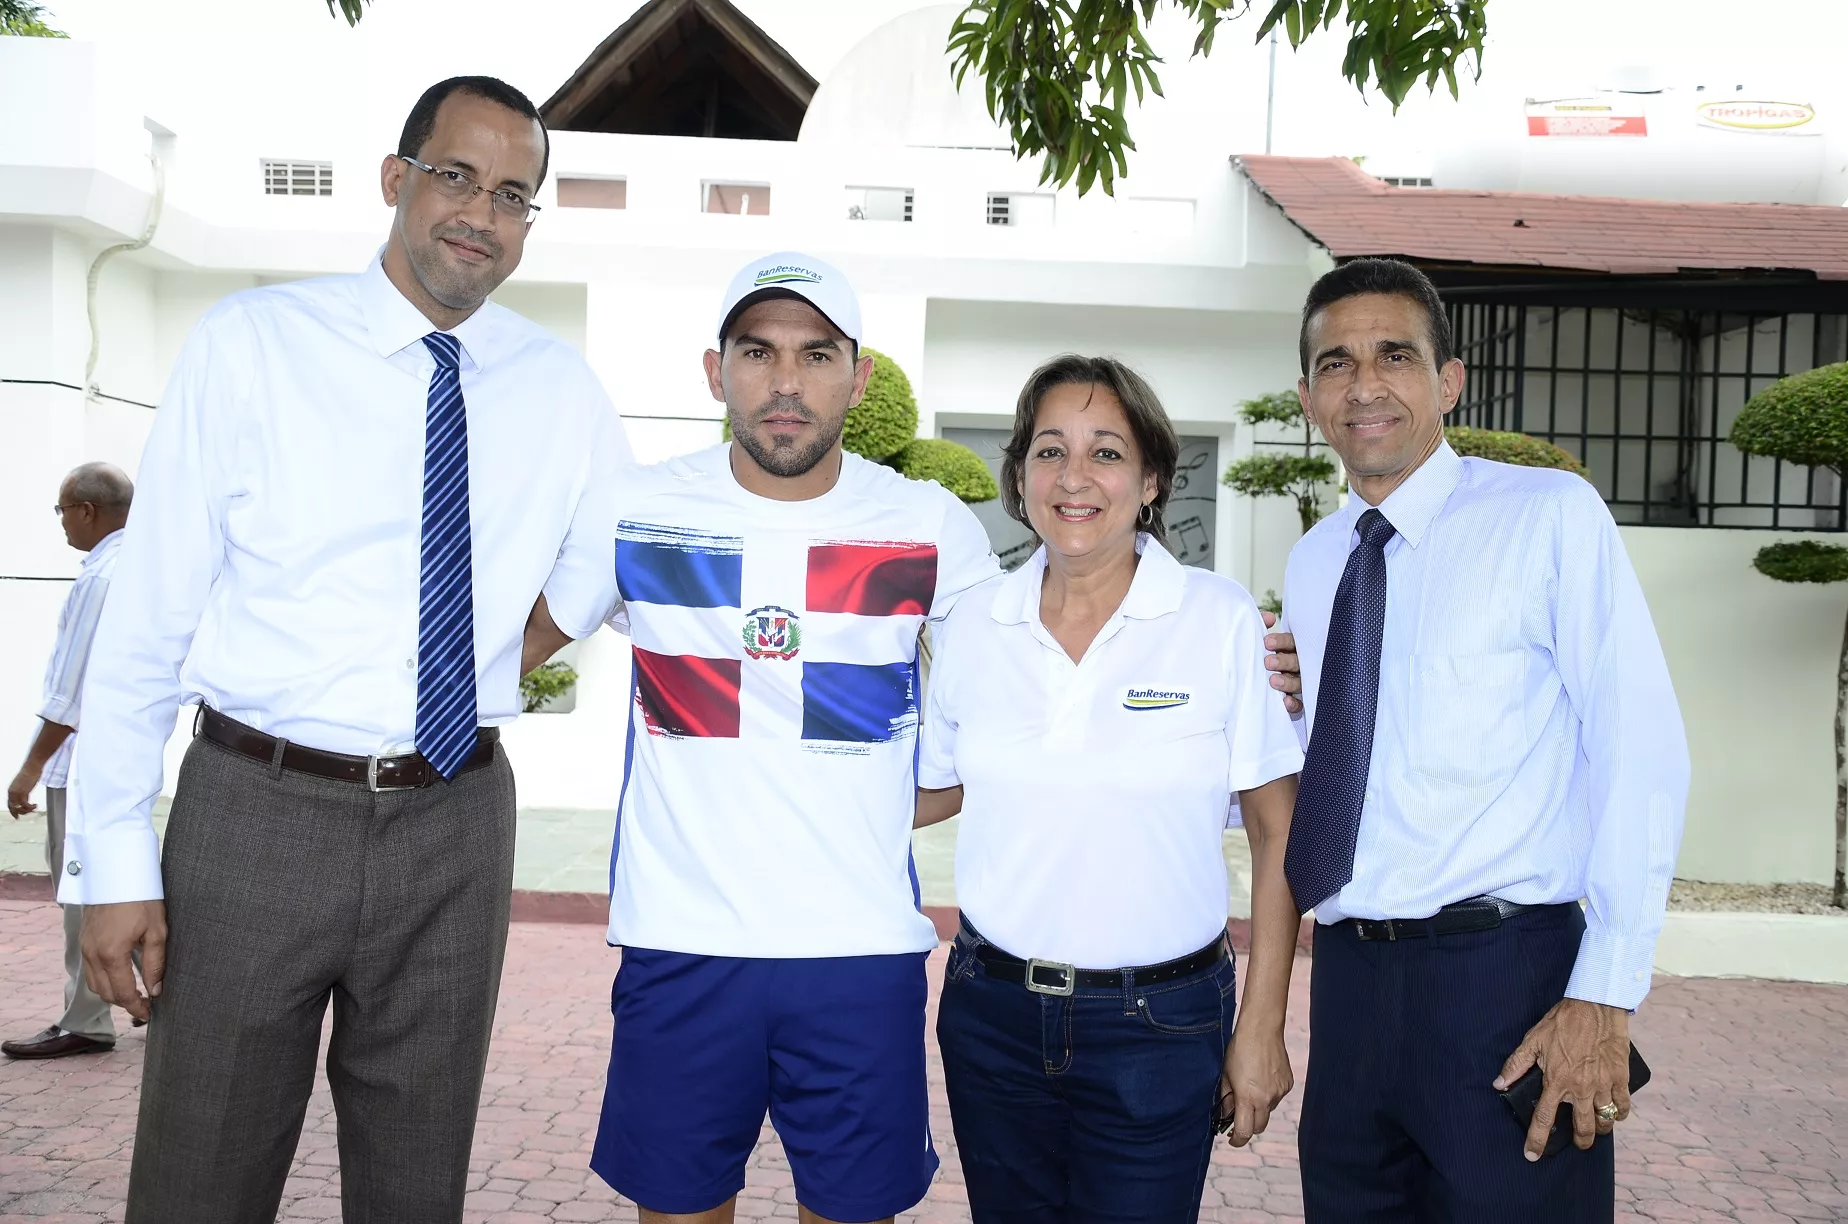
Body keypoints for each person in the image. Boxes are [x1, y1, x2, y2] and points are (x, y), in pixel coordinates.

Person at [62, 76, 629, 1222]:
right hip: (255, 812)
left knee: (415, 1186)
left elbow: (608, 561)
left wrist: (479, 668)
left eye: (514, 193)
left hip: (456, 820)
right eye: (455, 176)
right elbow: (150, 615)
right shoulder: (253, 344)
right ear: (396, 179)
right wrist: (114, 862)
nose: (480, 211)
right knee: (199, 1176)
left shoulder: (559, 389)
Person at [522, 251, 1000, 1224]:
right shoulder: (636, 508)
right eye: (759, 351)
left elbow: (1002, 699)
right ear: (716, 371)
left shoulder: (929, 523)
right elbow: (518, 644)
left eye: (817, 355)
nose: (787, 381)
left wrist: (926, 789)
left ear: (857, 378)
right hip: (681, 945)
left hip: (860, 952)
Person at [1280, 258, 1689, 1222]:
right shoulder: (1314, 562)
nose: (1365, 384)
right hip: (1347, 985)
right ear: (1307, 398)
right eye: (1336, 364)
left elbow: (1639, 747)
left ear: (1450, 380)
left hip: (1504, 980)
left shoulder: (1547, 516)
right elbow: (1342, 756)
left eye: (1395, 355)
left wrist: (1607, 991)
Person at [913, 355, 1305, 1222]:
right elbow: (933, 788)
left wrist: (1263, 1025)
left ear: (1153, 477)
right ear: (1019, 478)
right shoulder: (977, 624)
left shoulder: (1219, 619)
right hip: (993, 1019)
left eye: (1107, 452)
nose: (1075, 478)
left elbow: (1280, 832)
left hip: (1159, 1028)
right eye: (1049, 451)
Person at [4, 463, 134, 1061]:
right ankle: (165, 997)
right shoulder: (139, 567)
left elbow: (68, 695)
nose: (60, 524)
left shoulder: (102, 578)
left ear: (86, 509)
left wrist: (29, 769)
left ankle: (85, 1019)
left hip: (81, 767)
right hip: (121, 761)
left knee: (83, 891)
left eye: (61, 511)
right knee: (122, 884)